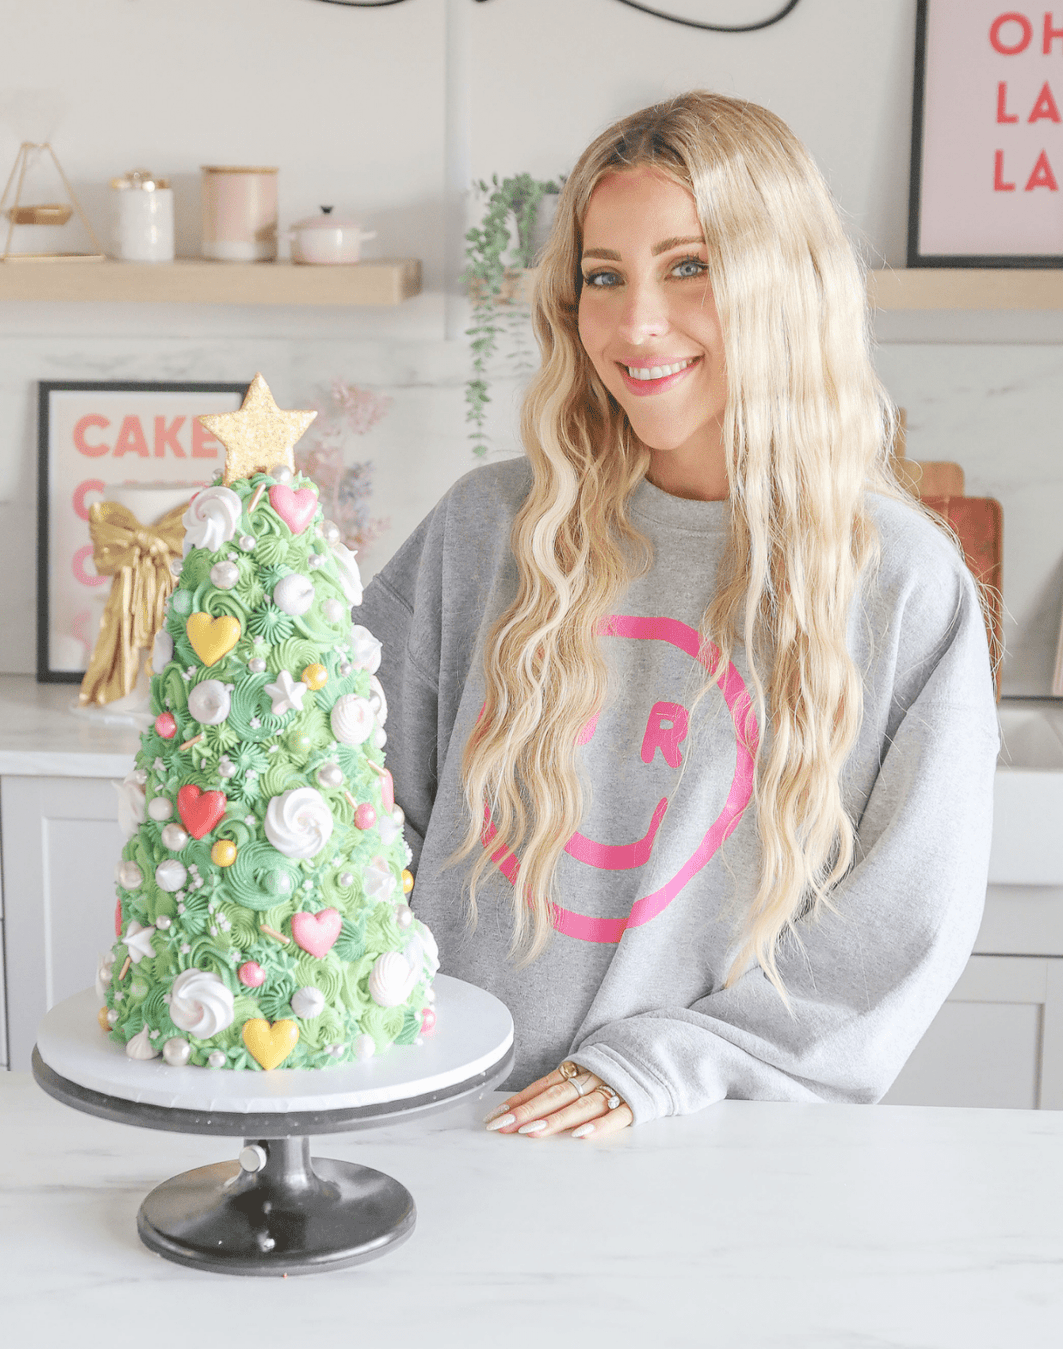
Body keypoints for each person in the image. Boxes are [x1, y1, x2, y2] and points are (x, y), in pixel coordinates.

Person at [354, 91, 1000, 1140]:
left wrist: (656, 1067)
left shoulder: (897, 584)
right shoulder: (486, 528)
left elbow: (894, 931)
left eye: (687, 267)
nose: (633, 323)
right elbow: (352, 806)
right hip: (434, 1123)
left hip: (699, 1140)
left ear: (781, 285)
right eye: (601, 277)